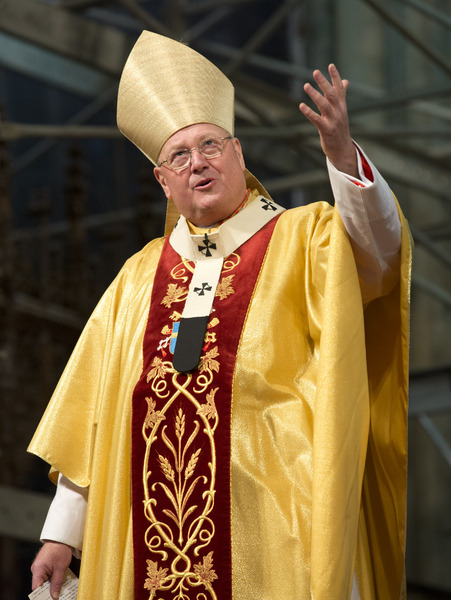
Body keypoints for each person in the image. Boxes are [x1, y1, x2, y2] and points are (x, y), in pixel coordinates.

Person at [29, 31, 411, 600]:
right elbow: (93, 416)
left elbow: (379, 258)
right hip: (145, 530)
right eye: (178, 156)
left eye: (211, 145)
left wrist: (340, 155)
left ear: (238, 153)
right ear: (163, 182)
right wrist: (62, 534)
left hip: (279, 520)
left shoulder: (305, 236)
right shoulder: (138, 276)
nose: (198, 163)